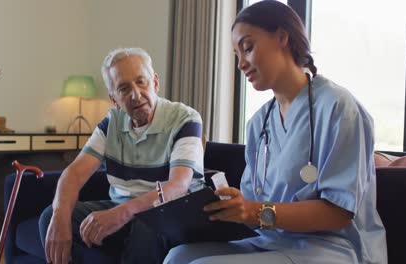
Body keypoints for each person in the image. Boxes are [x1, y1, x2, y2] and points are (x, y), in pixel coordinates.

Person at [163, 1, 387, 263]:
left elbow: (338, 213)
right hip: (273, 242)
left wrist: (253, 211)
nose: (241, 64)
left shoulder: (339, 107)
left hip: (334, 248)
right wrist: (223, 208)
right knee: (177, 257)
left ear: (282, 37)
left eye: (247, 48)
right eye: (236, 55)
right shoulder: (259, 123)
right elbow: (253, 209)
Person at [39, 47, 204, 264]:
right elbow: (74, 173)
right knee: (51, 216)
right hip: (126, 212)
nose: (135, 94)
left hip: (173, 213)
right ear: (114, 98)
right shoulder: (112, 122)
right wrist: (60, 215)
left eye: (141, 82)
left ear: (155, 83)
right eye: (124, 88)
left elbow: (178, 187)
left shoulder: (185, 118)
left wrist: (122, 213)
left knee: (147, 226)